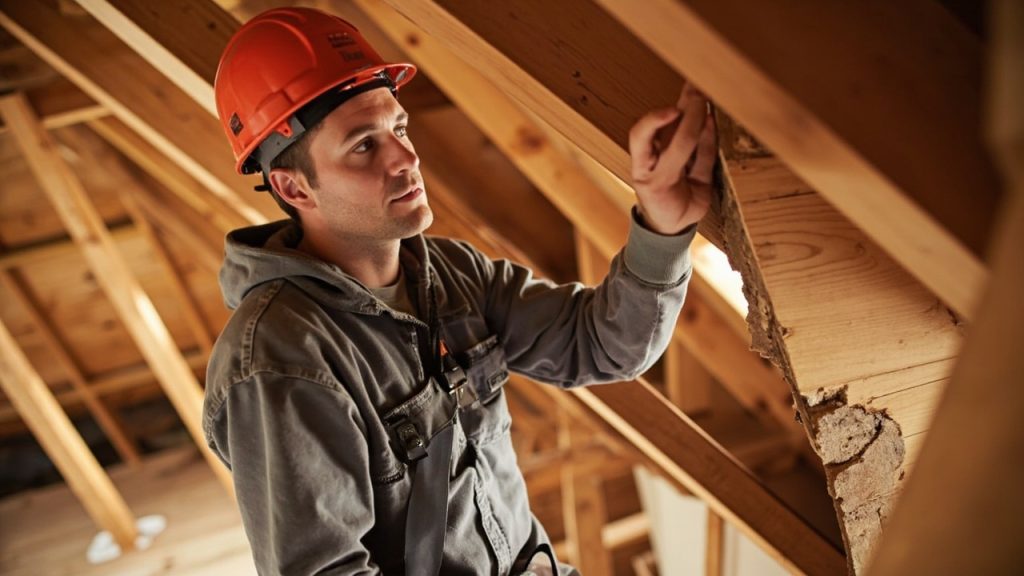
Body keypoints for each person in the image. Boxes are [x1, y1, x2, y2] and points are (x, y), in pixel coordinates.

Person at [202, 7, 716, 576]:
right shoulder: (282, 358)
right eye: (363, 147)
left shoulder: (452, 275)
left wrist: (662, 227)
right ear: (293, 186)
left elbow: (603, 344)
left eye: (398, 128)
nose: (405, 157)